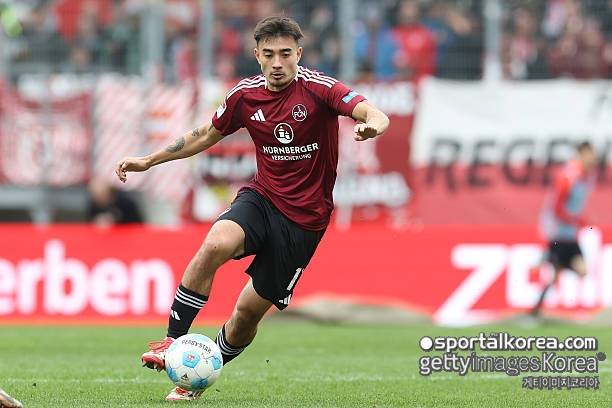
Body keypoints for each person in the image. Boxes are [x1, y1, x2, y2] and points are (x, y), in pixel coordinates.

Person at [115, 16, 389, 401]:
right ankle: (171, 341)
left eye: (285, 54)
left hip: (304, 222)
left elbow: (374, 112)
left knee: (245, 314)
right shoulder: (245, 96)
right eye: (269, 54)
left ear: (299, 54)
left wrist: (373, 125)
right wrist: (149, 160)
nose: (277, 63)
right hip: (262, 198)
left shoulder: (320, 89)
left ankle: (200, 373)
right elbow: (206, 134)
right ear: (256, 55)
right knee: (216, 242)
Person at [531, 141, 597, 316]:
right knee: (556, 276)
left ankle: (549, 259)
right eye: (591, 154)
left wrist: (578, 221)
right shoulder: (569, 176)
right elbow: (556, 207)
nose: (594, 158)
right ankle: (534, 311)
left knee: (581, 271)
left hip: (570, 234)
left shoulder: (587, 176)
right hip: (559, 233)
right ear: (581, 154)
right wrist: (575, 220)